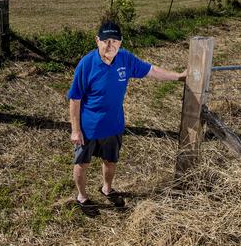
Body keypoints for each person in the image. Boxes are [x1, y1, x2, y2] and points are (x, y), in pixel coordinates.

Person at [68, 20, 186, 209]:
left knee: (111, 161)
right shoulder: (86, 64)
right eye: (106, 40)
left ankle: (107, 188)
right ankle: (82, 196)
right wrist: (76, 130)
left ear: (120, 42)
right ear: (97, 40)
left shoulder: (125, 59)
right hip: (88, 128)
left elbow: (151, 71)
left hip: (114, 125)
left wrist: (179, 76)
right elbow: (75, 99)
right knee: (82, 163)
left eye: (115, 41)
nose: (110, 45)